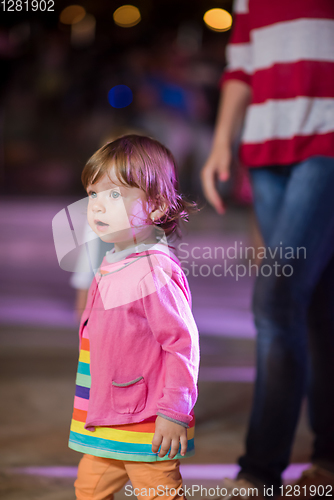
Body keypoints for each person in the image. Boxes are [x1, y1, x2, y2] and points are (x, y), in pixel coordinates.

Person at [201, 0, 334, 498]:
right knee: (316, 302)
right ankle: (328, 456)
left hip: (326, 141)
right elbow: (243, 67)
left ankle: (259, 471)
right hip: (266, 146)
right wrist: (221, 142)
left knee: (276, 298)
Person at [69, 135, 200, 500]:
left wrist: (174, 412)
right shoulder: (114, 258)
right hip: (105, 417)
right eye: (93, 194)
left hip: (143, 421)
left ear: (156, 207)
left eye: (114, 195)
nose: (97, 206)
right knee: (89, 489)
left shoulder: (152, 269)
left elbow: (181, 345)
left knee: (158, 493)